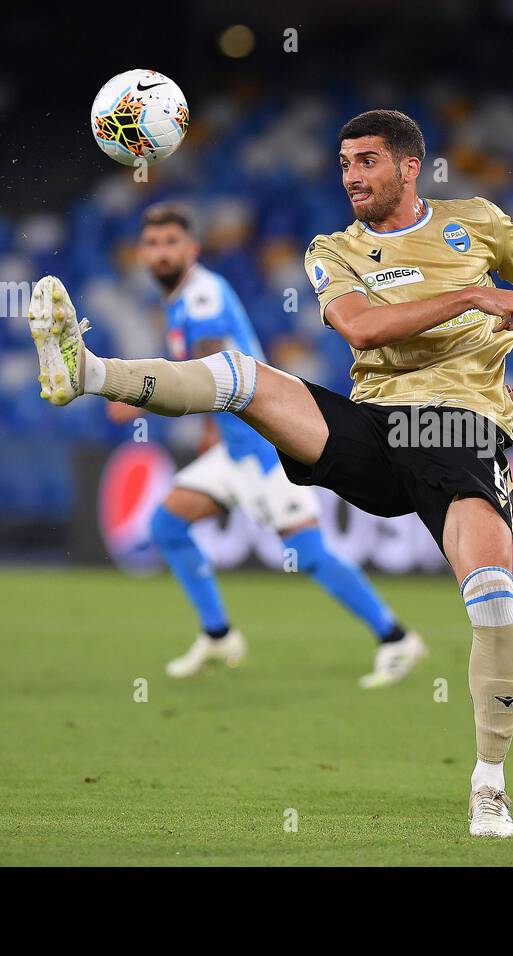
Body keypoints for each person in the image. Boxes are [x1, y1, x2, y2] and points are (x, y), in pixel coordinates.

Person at [27, 109, 513, 838]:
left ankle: (489, 785)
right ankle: (86, 370)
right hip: (373, 428)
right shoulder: (332, 250)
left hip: (458, 428)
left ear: (410, 167)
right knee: (242, 377)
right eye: (343, 163)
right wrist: (472, 295)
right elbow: (362, 330)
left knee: (492, 598)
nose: (351, 177)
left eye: (367, 161)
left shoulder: (478, 221)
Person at [108, 202, 422, 686]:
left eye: (171, 243)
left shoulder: (203, 297)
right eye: (151, 244)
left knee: (309, 553)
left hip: (265, 448)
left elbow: (204, 374)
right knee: (167, 523)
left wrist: (135, 395)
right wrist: (213, 433)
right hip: (233, 450)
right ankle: (218, 635)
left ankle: (396, 639)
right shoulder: (179, 299)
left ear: (191, 249)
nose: (160, 252)